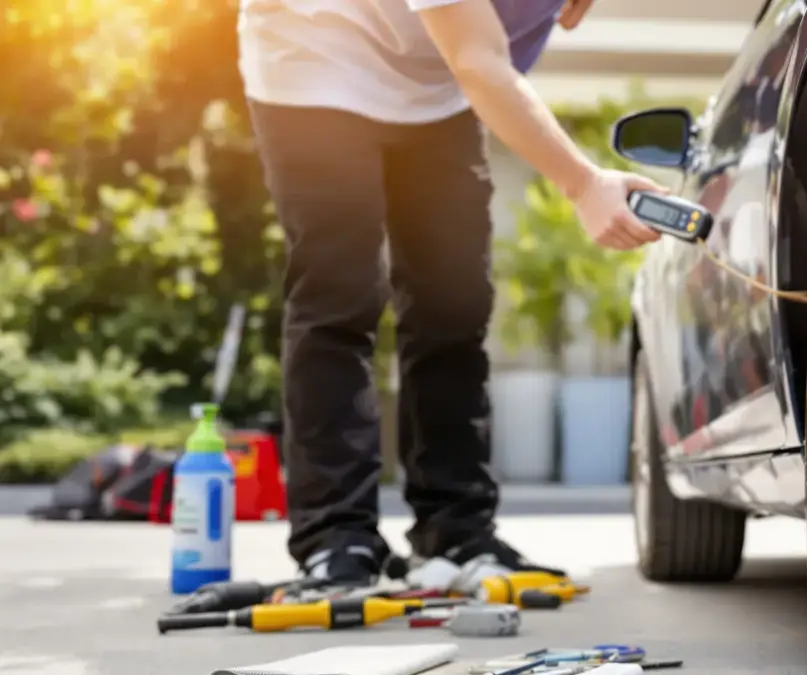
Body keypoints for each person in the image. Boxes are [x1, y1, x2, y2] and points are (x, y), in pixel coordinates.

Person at [237, 0, 666, 587]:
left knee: (453, 303)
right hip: (318, 54)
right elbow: (479, 60)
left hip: (437, 85)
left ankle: (456, 531)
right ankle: (336, 537)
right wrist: (584, 184)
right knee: (339, 296)